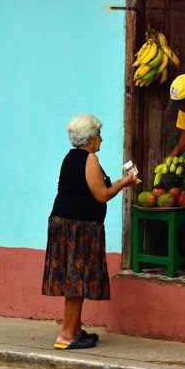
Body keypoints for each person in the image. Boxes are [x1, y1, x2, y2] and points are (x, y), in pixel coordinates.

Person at [42, 114, 139, 350]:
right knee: (76, 282)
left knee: (75, 281)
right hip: (78, 227)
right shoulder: (90, 158)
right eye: (98, 136)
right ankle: (66, 335)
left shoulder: (71, 157)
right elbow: (102, 195)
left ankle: (74, 330)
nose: (102, 140)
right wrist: (124, 183)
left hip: (67, 223)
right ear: (90, 138)